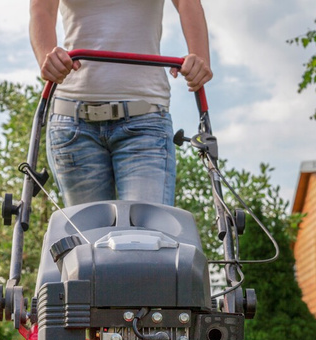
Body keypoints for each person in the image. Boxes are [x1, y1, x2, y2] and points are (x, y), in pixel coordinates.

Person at [29, 0, 213, 207]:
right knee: (87, 235)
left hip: (145, 120)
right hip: (73, 123)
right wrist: (48, 56)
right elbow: (41, 8)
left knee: (146, 234)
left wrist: (199, 58)